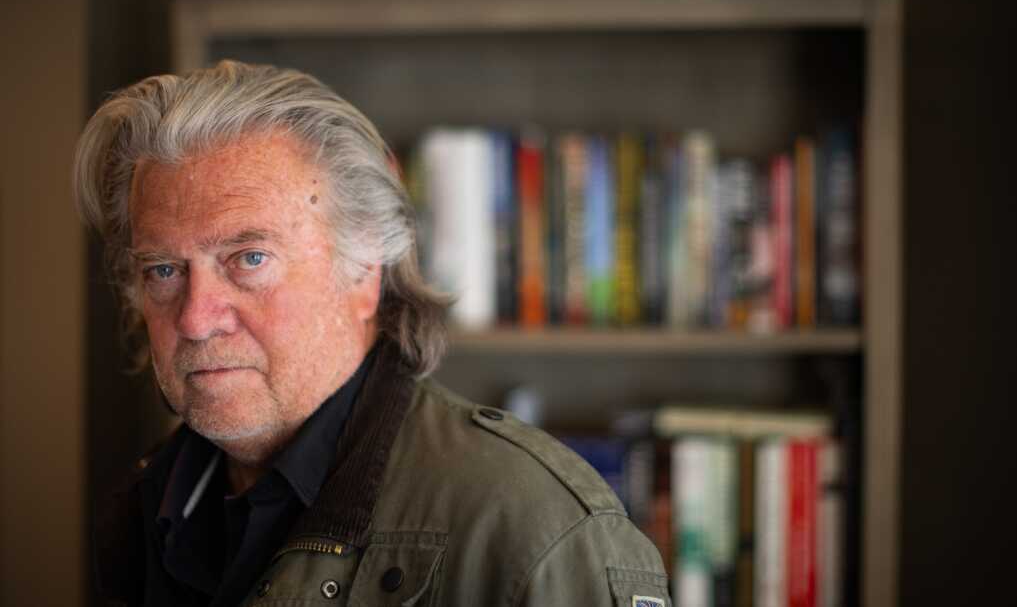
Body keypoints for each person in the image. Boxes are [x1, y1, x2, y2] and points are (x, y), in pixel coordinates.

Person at [78, 60, 671, 607]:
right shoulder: (144, 507)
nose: (196, 317)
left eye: (249, 258)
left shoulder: (536, 528)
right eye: (163, 270)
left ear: (366, 270)